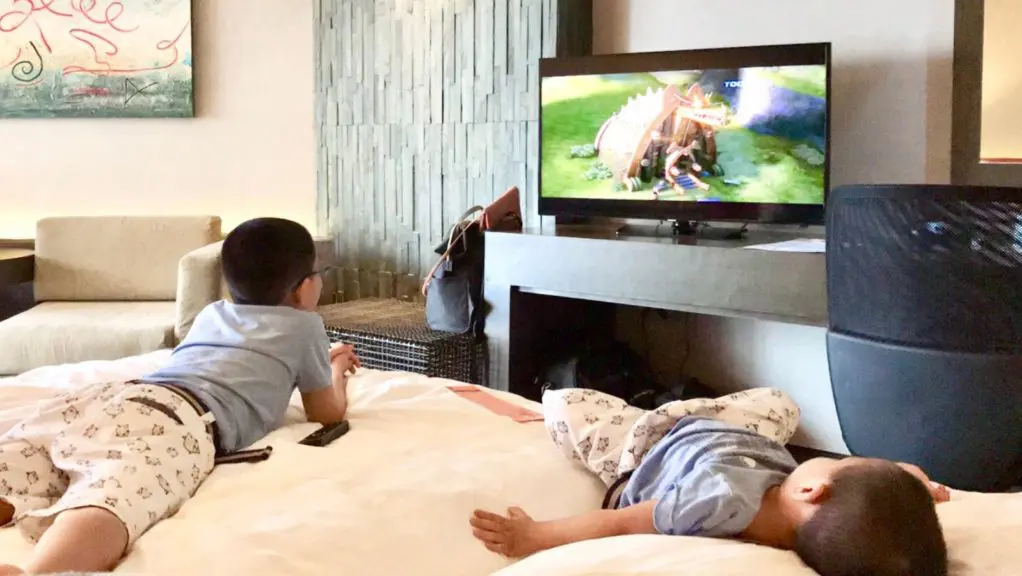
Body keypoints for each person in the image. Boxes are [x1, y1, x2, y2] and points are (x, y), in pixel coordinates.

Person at [0, 218, 359, 575]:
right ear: (303, 289)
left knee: (20, 463)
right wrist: (337, 369)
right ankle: (39, 571)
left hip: (119, 396)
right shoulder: (305, 326)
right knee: (115, 494)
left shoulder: (212, 313)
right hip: (179, 419)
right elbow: (326, 413)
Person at [470, 388, 950, 576]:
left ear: (813, 491)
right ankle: (680, 404)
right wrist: (912, 487)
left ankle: (649, 409)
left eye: (843, 462)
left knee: (567, 405)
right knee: (779, 402)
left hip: (650, 446)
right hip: (730, 434)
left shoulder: (710, 504)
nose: (833, 459)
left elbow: (619, 523)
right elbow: (884, 493)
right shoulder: (800, 513)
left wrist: (534, 536)